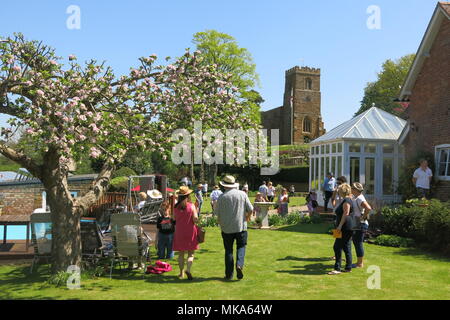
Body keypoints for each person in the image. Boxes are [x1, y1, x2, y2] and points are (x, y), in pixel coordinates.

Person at [215, 175, 253, 280]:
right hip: (241, 226)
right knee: (241, 247)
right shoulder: (242, 194)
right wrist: (247, 218)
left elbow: (217, 214)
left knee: (228, 251)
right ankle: (239, 265)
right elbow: (251, 209)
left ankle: (229, 274)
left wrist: (220, 224)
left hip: (227, 228)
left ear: (224, 185)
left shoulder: (222, 197)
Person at [172, 186, 199, 280]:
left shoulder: (175, 207)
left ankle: (181, 273)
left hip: (179, 232)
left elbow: (174, 219)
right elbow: (195, 219)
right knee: (191, 254)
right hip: (190, 231)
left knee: (181, 254)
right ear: (188, 195)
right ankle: (188, 269)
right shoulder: (191, 206)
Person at [328, 183, 354, 275]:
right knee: (346, 247)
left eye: (339, 190)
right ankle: (348, 267)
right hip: (344, 226)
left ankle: (337, 268)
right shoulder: (346, 199)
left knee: (337, 247)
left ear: (342, 191)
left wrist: (339, 226)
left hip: (344, 227)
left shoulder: (346, 200)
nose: (337, 191)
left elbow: (346, 213)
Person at [351, 182, 372, 268]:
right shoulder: (357, 197)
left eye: (352, 188)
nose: (351, 189)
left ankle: (360, 263)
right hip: (359, 223)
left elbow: (368, 208)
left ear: (356, 190)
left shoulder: (359, 198)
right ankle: (359, 262)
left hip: (361, 224)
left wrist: (363, 217)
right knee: (356, 242)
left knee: (358, 243)